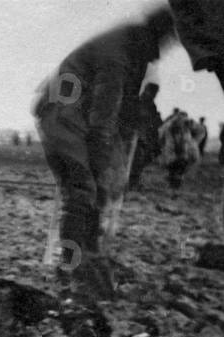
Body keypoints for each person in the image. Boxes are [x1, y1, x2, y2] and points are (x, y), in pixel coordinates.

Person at [33, 7, 175, 297]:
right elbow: (104, 114)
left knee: (96, 188)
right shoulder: (118, 53)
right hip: (62, 112)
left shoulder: (130, 48)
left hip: (77, 115)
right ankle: (71, 266)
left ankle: (91, 254)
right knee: (82, 188)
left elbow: (121, 111)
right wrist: (101, 158)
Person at [127, 83, 164, 191]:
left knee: (140, 161)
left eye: (155, 93)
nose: (154, 95)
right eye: (153, 92)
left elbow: (156, 122)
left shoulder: (151, 105)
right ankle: (130, 184)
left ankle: (133, 183)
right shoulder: (139, 102)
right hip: (136, 137)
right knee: (135, 161)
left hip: (144, 138)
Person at [158, 111, 200, 188]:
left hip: (181, 151)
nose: (182, 120)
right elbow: (161, 135)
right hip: (173, 150)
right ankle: (174, 184)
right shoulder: (171, 126)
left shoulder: (186, 126)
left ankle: (175, 183)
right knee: (175, 166)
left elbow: (196, 132)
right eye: (181, 118)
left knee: (178, 167)